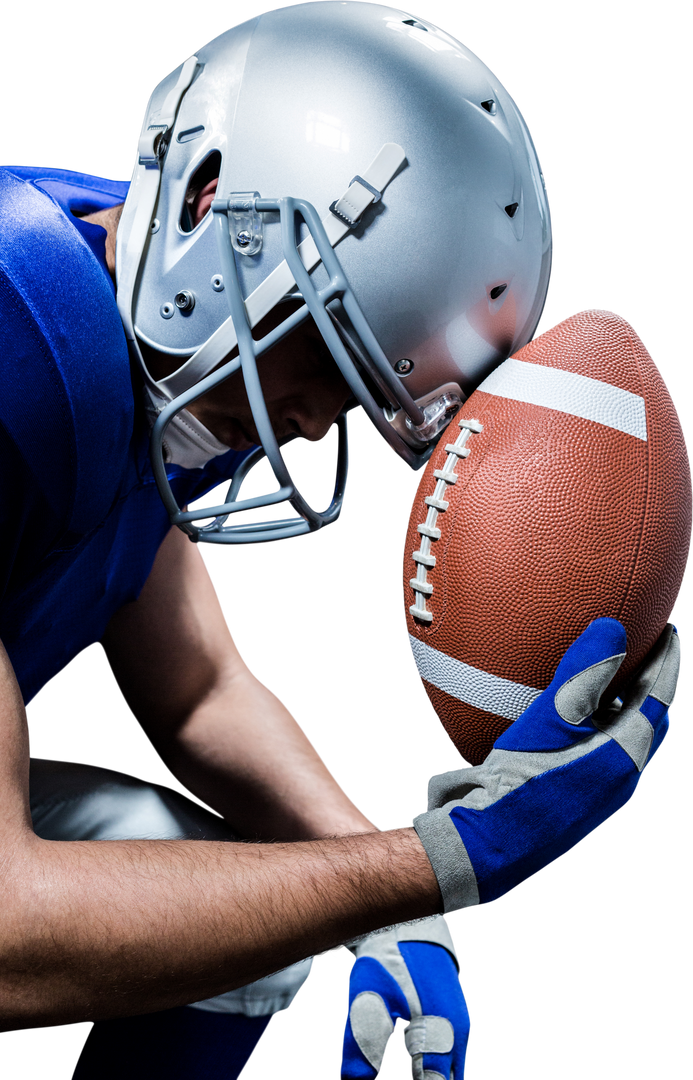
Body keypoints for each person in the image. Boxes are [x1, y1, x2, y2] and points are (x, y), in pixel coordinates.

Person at [0, 5, 683, 1078]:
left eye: (360, 392)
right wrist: (428, 868)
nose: (315, 423)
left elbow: (197, 691)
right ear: (214, 200)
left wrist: (382, 907)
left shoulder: (153, 319)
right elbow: (6, 935)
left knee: (232, 926)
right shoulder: (17, 341)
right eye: (318, 342)